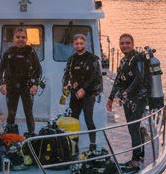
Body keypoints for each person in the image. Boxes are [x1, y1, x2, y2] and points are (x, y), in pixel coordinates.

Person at [107, 34, 149, 165]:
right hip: (128, 100)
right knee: (132, 128)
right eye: (122, 43)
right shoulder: (124, 61)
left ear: (132, 44)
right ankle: (140, 153)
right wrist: (111, 97)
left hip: (139, 98)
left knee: (133, 127)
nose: (124, 46)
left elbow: (139, 78)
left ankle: (136, 159)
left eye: (127, 43)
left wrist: (127, 92)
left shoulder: (139, 58)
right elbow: (118, 80)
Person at [62, 32, 102, 152]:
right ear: (73, 45)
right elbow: (67, 75)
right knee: (73, 119)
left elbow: (94, 77)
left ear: (85, 44)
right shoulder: (71, 59)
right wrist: (66, 86)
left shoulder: (92, 58)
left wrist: (83, 89)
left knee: (88, 119)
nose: (79, 45)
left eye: (81, 43)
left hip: (89, 94)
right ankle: (74, 145)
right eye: (76, 43)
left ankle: (93, 145)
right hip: (75, 94)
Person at [0, 26, 42, 136]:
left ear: (26, 39)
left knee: (29, 113)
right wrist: (1, 83)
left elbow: (38, 70)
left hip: (27, 87)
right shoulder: (9, 52)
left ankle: (31, 135)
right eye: (18, 37)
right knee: (11, 114)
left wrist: (35, 85)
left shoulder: (30, 51)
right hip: (11, 87)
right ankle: (10, 137)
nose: (20, 39)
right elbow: (0, 69)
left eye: (23, 37)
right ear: (14, 38)